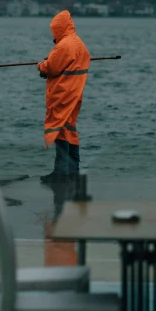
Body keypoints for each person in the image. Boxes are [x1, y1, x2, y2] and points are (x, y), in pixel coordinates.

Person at [37, 10, 91, 184]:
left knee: (60, 130)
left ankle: (60, 174)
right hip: (75, 94)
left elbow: (50, 67)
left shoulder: (63, 45)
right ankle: (73, 172)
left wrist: (41, 65)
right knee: (70, 130)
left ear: (59, 28)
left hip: (62, 94)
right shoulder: (79, 43)